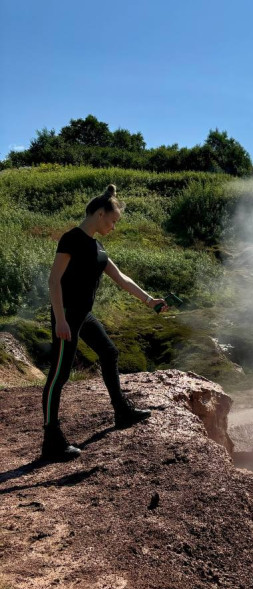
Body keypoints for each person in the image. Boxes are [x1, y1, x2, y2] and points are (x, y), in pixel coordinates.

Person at [40, 184, 166, 460]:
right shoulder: (71, 238)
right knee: (58, 377)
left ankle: (121, 411)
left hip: (83, 315)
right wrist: (60, 319)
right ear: (99, 213)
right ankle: (51, 440)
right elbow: (54, 280)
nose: (114, 226)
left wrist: (149, 300)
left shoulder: (97, 246)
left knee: (109, 352)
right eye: (112, 220)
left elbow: (121, 278)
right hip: (67, 317)